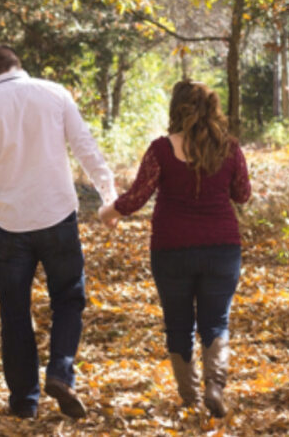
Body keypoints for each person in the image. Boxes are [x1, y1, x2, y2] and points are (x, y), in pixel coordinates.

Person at [0, 45, 117, 419]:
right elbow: (85, 147)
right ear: (18, 67)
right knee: (69, 299)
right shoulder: (54, 93)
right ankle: (60, 371)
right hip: (57, 216)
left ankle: (25, 401)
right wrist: (110, 195)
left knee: (14, 312)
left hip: (10, 226)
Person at [98, 79, 251, 418]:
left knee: (178, 323)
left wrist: (108, 212)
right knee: (216, 321)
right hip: (222, 248)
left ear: (176, 109)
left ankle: (190, 398)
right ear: (212, 108)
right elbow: (242, 194)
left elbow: (138, 196)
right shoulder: (229, 148)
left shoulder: (162, 149)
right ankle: (215, 385)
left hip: (172, 249)